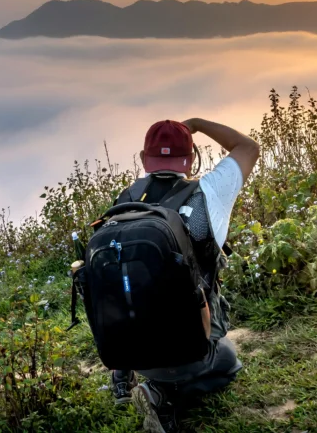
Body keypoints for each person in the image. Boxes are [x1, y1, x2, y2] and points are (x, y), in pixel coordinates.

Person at [110, 118, 260, 433]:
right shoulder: (209, 192)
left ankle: (127, 379)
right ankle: (163, 395)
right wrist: (198, 124)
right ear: (191, 158)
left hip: (135, 350)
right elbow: (249, 147)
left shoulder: (123, 202)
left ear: (142, 159)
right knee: (228, 364)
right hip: (192, 346)